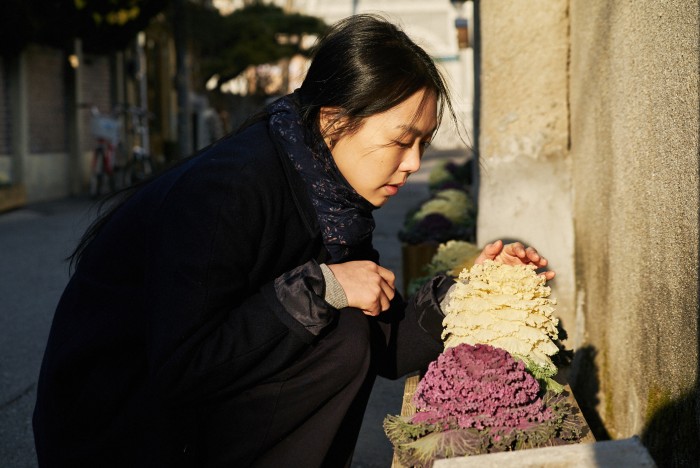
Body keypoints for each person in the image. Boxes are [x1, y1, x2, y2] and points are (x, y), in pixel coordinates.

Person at [33, 14, 553, 468]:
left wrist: (472, 293)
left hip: (183, 415)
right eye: (400, 141)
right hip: (114, 429)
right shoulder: (229, 192)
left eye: (422, 143)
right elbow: (183, 367)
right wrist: (321, 287)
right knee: (340, 329)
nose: (414, 162)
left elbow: (384, 345)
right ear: (333, 120)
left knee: (349, 328)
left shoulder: (332, 201)